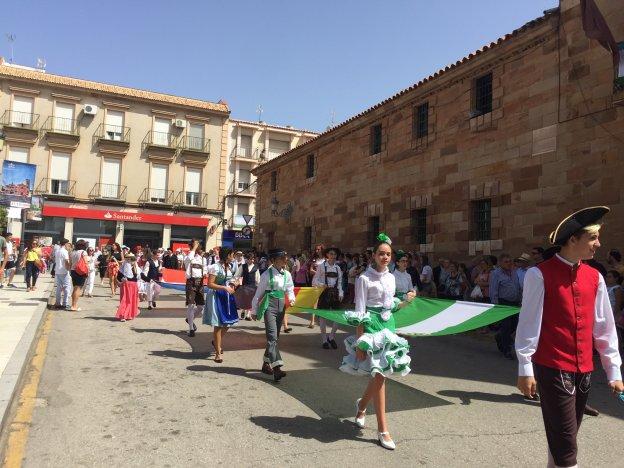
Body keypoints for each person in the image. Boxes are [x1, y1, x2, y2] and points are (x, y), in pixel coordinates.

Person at [515, 206, 623, 468]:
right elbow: (529, 324)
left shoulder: (595, 276)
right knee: (566, 449)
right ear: (573, 239)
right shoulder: (538, 274)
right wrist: (525, 367)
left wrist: (614, 371)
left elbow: (604, 326)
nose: (598, 244)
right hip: (552, 368)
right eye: (593, 238)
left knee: (564, 440)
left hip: (584, 369)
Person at [342, 233, 415, 450]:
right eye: (381, 253)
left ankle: (362, 406)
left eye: (388, 254)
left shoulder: (391, 277)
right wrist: (360, 343)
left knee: (380, 374)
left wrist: (404, 302)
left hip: (388, 325)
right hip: (372, 327)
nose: (385, 257)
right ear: (374, 255)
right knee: (380, 375)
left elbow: (390, 305)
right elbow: (360, 311)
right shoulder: (364, 279)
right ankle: (383, 429)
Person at [251, 248, 296, 382]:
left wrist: (292, 299)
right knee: (271, 336)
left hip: (281, 304)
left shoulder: (287, 274)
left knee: (274, 337)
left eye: (285, 258)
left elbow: (290, 289)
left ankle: (265, 364)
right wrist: (254, 310)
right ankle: (277, 368)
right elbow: (258, 294)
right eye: (282, 258)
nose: (285, 260)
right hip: (269, 305)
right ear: (274, 260)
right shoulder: (266, 274)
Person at [203, 247, 238, 363]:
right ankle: (218, 353)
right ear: (227, 255)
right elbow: (210, 284)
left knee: (228, 323)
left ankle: (215, 341)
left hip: (226, 296)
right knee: (218, 325)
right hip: (216, 296)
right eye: (232, 255)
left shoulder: (230, 267)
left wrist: (234, 283)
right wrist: (224, 287)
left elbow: (230, 278)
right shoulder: (215, 267)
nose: (233, 257)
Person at [490, 253, 522, 359]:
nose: (509, 263)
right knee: (506, 326)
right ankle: (507, 349)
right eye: (506, 261)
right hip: (504, 303)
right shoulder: (495, 273)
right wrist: (496, 306)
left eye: (510, 261)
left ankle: (500, 337)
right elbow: (493, 290)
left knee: (515, 325)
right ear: (500, 263)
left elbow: (517, 287)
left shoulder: (514, 272)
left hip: (515, 303)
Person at [312, 247, 344, 349]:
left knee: (338, 317)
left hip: (335, 293)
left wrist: (341, 293)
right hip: (324, 292)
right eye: (331, 254)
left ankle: (331, 337)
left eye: (334, 254)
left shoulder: (338, 268)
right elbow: (314, 281)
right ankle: (324, 340)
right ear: (327, 255)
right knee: (323, 317)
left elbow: (339, 283)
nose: (333, 256)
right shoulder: (322, 266)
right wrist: (322, 284)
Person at [183, 240, 207, 337]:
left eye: (198, 245)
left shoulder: (203, 259)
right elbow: (189, 258)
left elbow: (205, 269)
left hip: (200, 283)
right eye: (195, 245)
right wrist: (193, 248)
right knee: (191, 305)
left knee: (201, 307)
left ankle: (189, 319)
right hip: (190, 282)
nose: (197, 246)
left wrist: (205, 273)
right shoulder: (188, 257)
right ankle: (191, 329)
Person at [234, 252, 260, 321]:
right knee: (244, 300)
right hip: (244, 286)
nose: (252, 260)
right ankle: (243, 311)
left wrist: (258, 285)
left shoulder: (256, 268)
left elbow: (257, 278)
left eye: (253, 259)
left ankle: (248, 314)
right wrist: (236, 281)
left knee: (250, 300)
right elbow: (237, 275)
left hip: (252, 286)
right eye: (250, 259)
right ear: (247, 259)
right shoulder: (243, 266)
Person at [115, 253, 140, 322]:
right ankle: (123, 315)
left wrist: (150, 280)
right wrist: (121, 280)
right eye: (129, 259)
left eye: (132, 259)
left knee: (132, 300)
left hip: (134, 286)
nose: (131, 260)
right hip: (126, 285)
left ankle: (129, 314)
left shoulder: (136, 267)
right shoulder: (124, 267)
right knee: (125, 300)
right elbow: (118, 277)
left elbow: (141, 276)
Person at [69, 240, 89, 311]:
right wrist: (88, 271)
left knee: (75, 288)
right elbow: (86, 263)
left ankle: (73, 305)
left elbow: (70, 263)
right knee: (78, 289)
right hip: (80, 271)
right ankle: (74, 306)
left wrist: (70, 271)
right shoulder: (83, 252)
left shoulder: (73, 252)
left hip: (73, 271)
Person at [53, 239, 72, 309]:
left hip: (57, 271)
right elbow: (66, 261)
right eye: (67, 244)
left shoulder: (57, 251)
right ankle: (65, 303)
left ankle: (58, 302)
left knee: (59, 287)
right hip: (64, 271)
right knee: (67, 287)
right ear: (65, 244)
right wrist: (68, 269)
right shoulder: (65, 251)